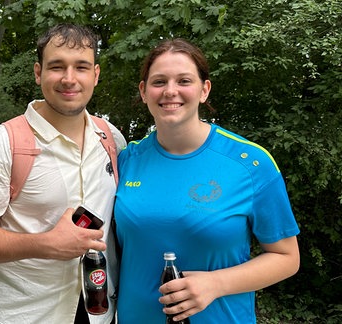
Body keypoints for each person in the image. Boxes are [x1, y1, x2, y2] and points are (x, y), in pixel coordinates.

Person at [0, 23, 126, 324]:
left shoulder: (111, 140)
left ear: (95, 74)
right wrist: (47, 244)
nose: (70, 79)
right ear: (38, 72)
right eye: (57, 66)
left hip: (98, 314)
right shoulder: (0, 144)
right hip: (22, 316)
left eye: (81, 67)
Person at [113, 38, 300, 323]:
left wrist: (216, 284)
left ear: (204, 89)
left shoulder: (250, 163)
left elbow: (287, 258)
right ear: (143, 91)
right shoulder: (127, 159)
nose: (170, 91)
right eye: (159, 81)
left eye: (184, 80)